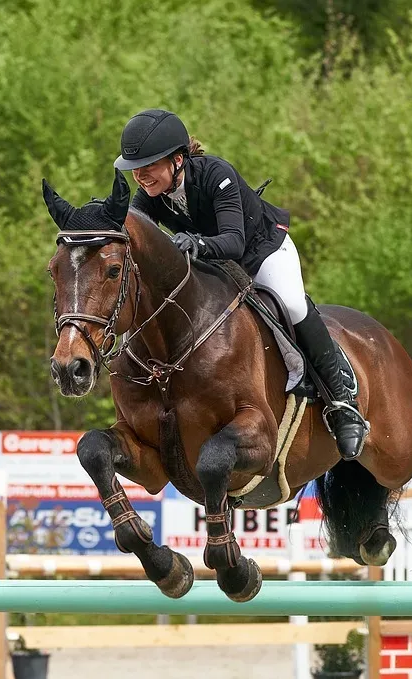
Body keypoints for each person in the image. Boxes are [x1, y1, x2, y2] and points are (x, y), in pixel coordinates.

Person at [113, 108, 367, 460]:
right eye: (135, 169)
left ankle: (342, 403)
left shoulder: (218, 175)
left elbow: (233, 240)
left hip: (260, 250)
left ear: (177, 160)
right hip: (213, 266)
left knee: (291, 303)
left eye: (149, 166)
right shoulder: (148, 198)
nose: (140, 176)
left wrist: (196, 244)